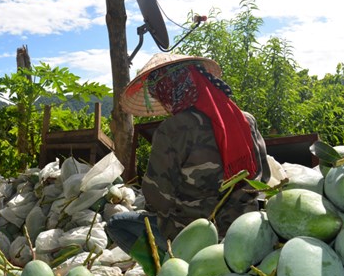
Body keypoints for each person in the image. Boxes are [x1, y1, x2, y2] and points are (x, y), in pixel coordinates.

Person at [106, 53, 271, 254]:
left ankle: (165, 269)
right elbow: (264, 177)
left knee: (116, 223)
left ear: (168, 91)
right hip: (244, 230)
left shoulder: (174, 129)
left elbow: (157, 198)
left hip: (192, 235)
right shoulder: (246, 120)